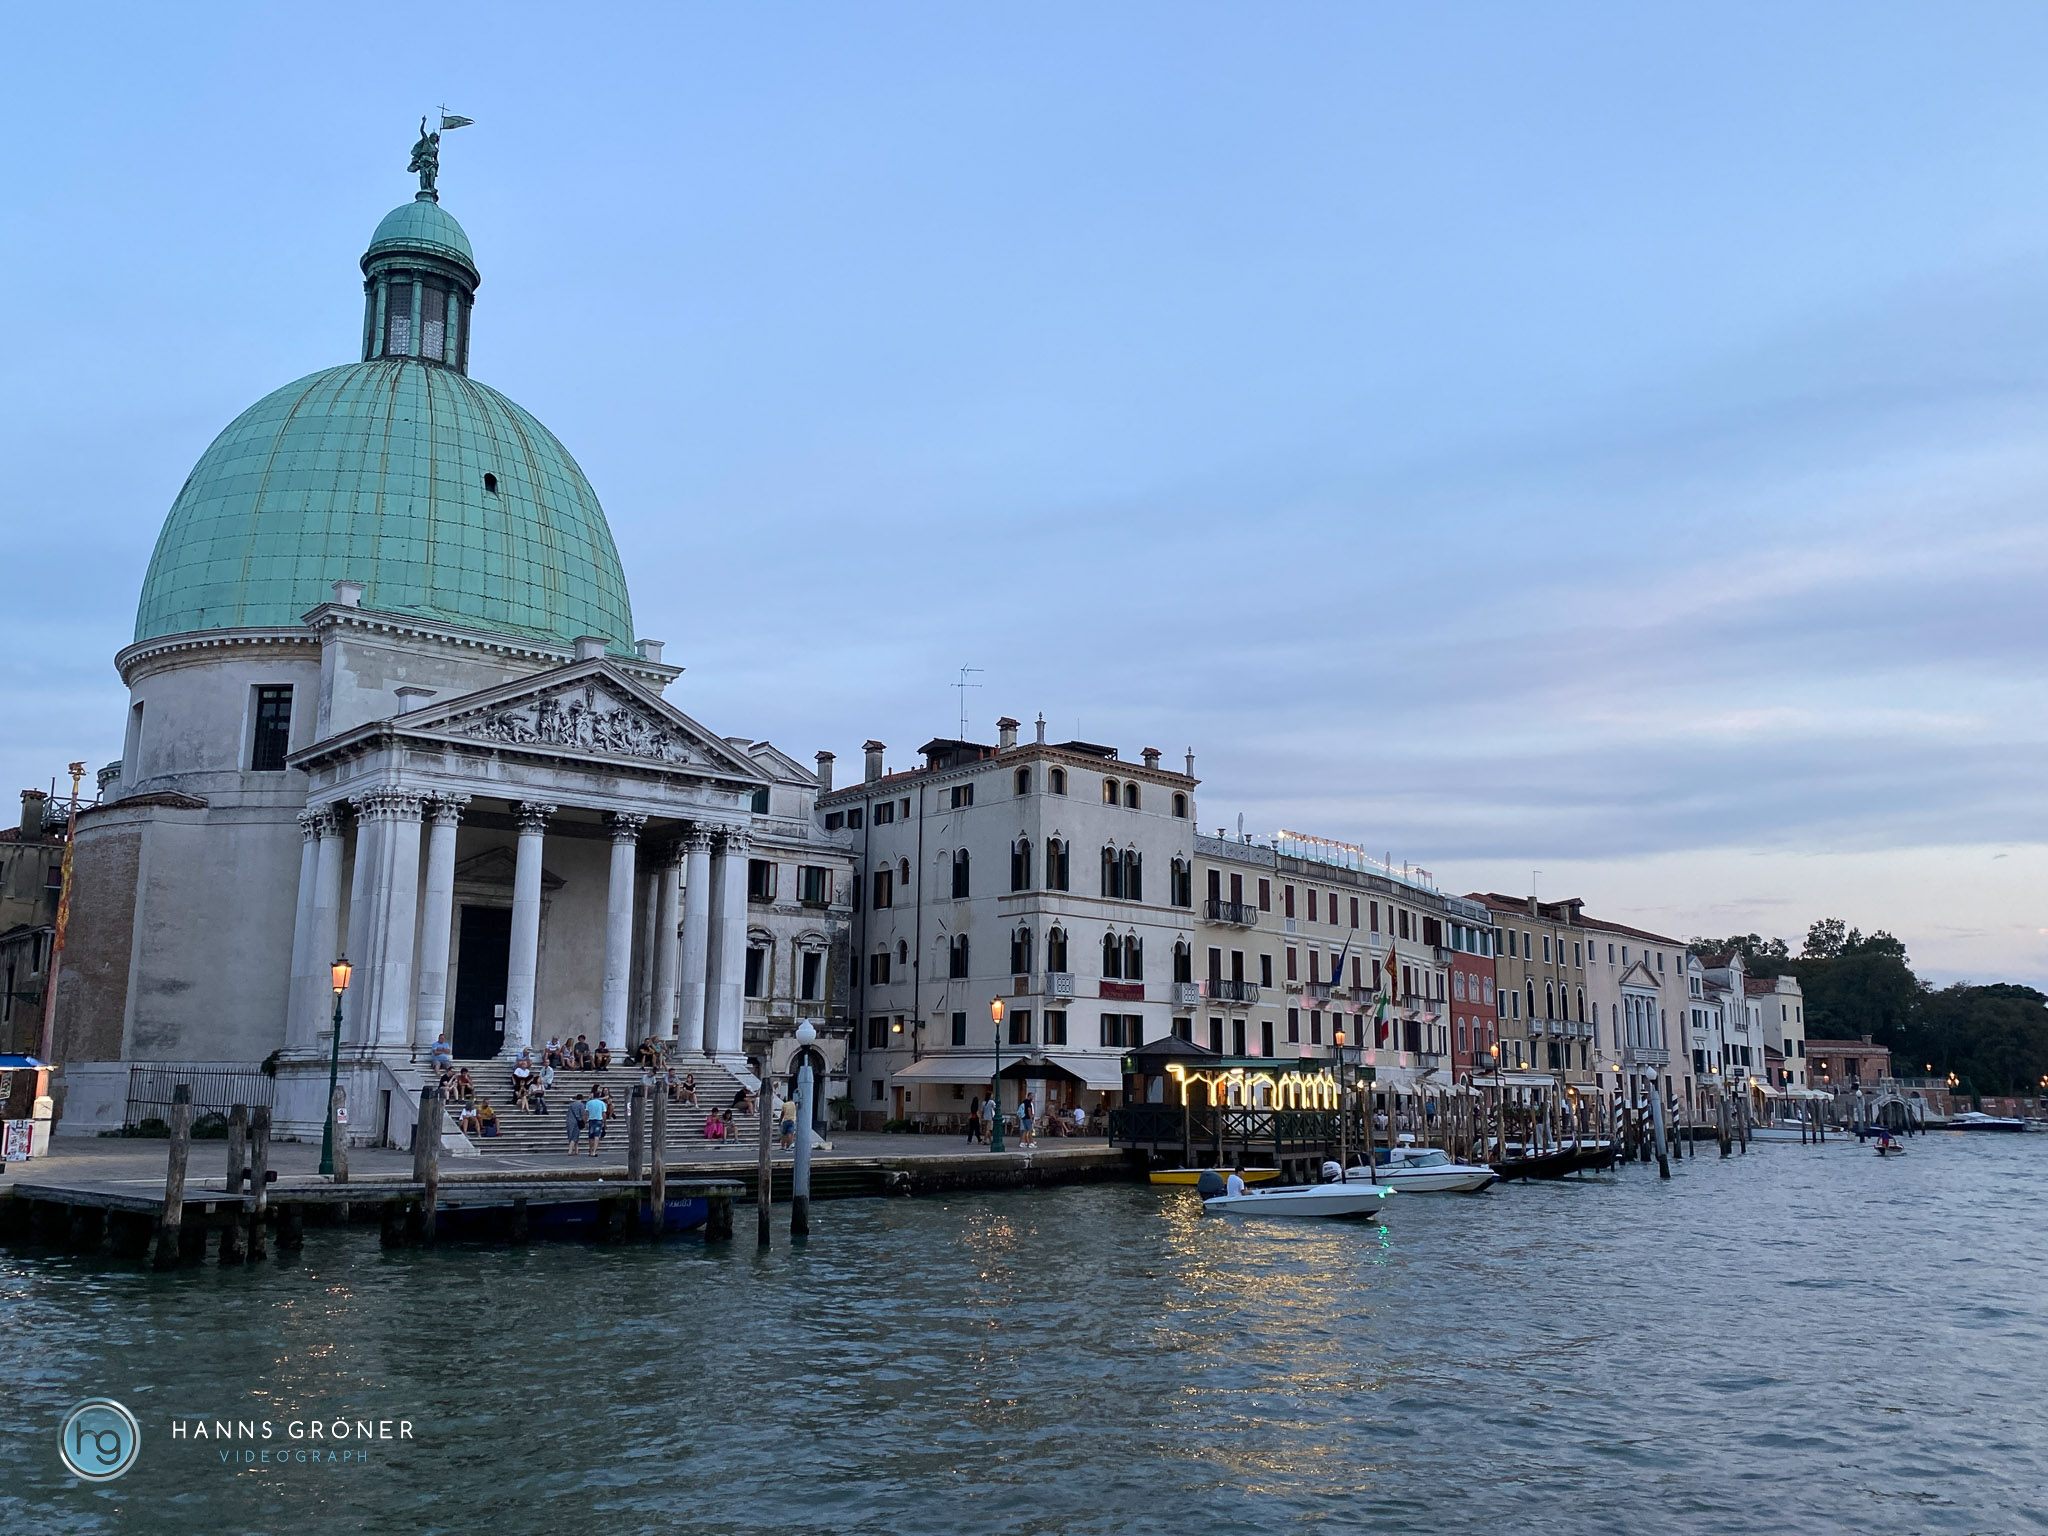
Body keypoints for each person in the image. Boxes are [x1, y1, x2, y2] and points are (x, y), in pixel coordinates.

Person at [585, 1088, 608, 1155]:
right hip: (599, 1120)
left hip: (591, 1120)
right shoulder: (602, 1103)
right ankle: (594, 1151)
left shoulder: (589, 1103)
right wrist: (605, 1122)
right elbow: (604, 1113)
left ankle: (591, 1149)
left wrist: (586, 1121)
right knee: (597, 1136)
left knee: (591, 1136)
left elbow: (586, 1112)